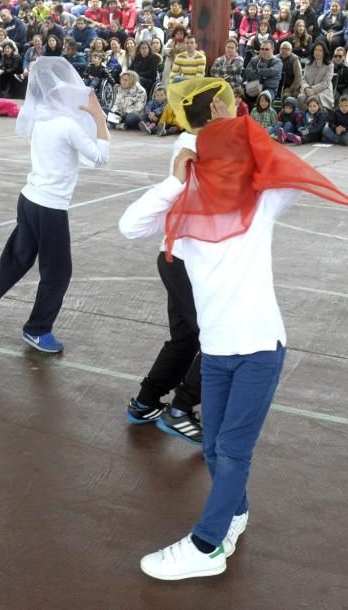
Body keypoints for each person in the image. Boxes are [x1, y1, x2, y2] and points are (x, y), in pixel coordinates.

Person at [120, 92, 348, 581]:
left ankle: (208, 544)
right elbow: (130, 227)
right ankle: (235, 512)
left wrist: (239, 127)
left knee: (231, 449)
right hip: (215, 353)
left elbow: (281, 166)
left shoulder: (262, 204)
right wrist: (173, 181)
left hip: (258, 349)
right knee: (211, 447)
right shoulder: (187, 224)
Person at [0, 58, 110, 353]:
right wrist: (99, 118)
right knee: (57, 273)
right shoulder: (66, 125)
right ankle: (38, 329)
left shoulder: (42, 116)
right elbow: (100, 157)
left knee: (15, 260)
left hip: (29, 199)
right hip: (50, 208)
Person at [122, 79, 234, 445]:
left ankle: (145, 401)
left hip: (178, 259)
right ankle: (182, 408)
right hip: (191, 264)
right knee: (220, 337)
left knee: (186, 337)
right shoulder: (205, 148)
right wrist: (231, 129)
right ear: (217, 109)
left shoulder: (193, 143)